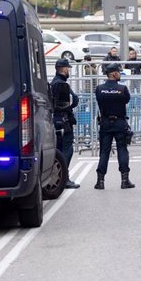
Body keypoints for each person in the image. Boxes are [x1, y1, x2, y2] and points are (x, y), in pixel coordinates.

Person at [94, 63, 134, 189]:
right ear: (114, 73)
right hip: (120, 123)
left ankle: (100, 181)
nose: (120, 74)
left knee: (104, 152)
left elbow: (99, 101)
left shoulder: (99, 89)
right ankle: (124, 180)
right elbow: (126, 100)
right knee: (122, 149)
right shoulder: (122, 89)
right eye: (119, 72)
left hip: (105, 123)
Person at [51, 58, 81, 189]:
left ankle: (60, 177)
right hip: (63, 121)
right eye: (68, 68)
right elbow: (71, 101)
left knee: (59, 149)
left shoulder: (53, 83)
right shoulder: (62, 85)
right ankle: (64, 178)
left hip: (56, 121)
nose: (69, 70)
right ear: (63, 69)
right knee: (66, 150)